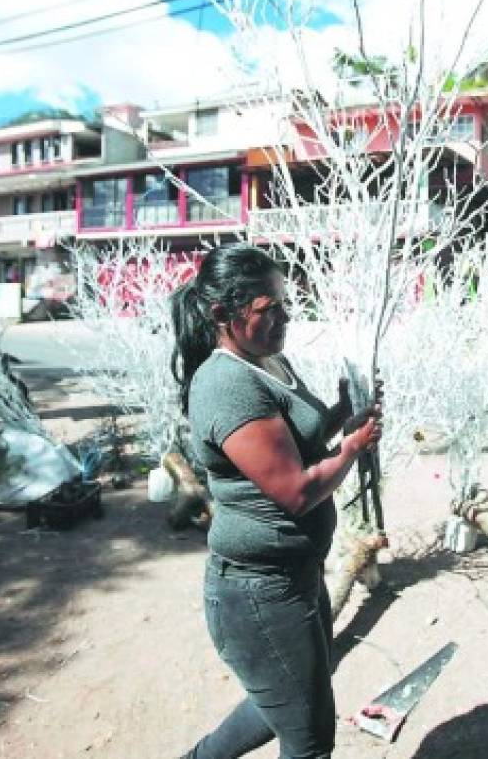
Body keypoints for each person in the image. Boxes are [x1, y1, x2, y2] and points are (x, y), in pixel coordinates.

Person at [172, 244, 382, 759]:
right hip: (258, 593)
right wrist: (353, 448)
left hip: (293, 576)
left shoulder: (269, 359)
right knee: (309, 738)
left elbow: (299, 441)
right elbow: (297, 491)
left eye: (285, 302)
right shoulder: (225, 385)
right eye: (270, 308)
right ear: (223, 314)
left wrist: (342, 415)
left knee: (280, 703)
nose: (285, 316)